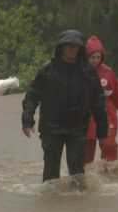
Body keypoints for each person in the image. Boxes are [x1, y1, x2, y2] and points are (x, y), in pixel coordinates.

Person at [22, 30, 108, 184]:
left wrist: (102, 133)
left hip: (77, 127)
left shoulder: (87, 72)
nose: (72, 49)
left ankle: (77, 206)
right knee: (50, 174)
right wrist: (27, 120)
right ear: (61, 47)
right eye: (68, 46)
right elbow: (32, 95)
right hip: (51, 127)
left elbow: (98, 102)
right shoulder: (47, 70)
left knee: (77, 173)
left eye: (75, 46)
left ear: (80, 49)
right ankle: (50, 203)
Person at [84, 36, 118, 166]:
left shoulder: (108, 73)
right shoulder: (80, 72)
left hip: (107, 116)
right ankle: (85, 177)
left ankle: (111, 172)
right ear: (86, 57)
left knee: (108, 144)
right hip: (86, 116)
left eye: (98, 57)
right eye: (92, 57)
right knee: (86, 152)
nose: (95, 60)